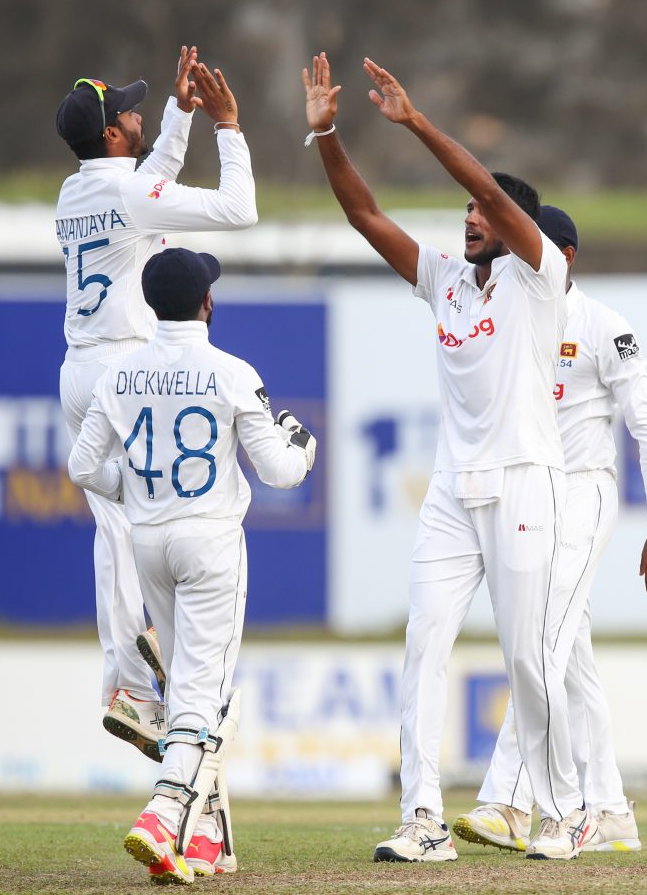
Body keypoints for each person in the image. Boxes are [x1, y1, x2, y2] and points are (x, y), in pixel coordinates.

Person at [303, 53, 588, 861]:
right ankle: (422, 818)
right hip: (453, 492)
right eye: (463, 210)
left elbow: (499, 193)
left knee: (527, 661)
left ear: (513, 227)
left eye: (479, 212)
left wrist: (418, 121)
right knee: (424, 643)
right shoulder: (447, 282)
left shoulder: (543, 276)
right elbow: (365, 215)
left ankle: (561, 813)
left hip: (527, 482)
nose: (468, 218)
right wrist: (326, 135)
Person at [67, 247, 316, 883]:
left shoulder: (118, 376)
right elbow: (282, 473)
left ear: (150, 304)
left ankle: (206, 838)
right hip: (210, 543)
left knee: (190, 690)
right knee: (206, 696)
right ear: (207, 303)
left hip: (149, 542)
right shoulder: (232, 372)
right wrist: (303, 443)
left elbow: (82, 467)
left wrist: (132, 487)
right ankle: (165, 809)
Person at [454, 206, 647, 854]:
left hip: (584, 491)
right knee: (570, 655)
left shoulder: (605, 326)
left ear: (567, 255)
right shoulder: (510, 318)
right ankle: (608, 807)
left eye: (539, 246)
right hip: (530, 492)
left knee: (541, 640)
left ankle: (507, 799)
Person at [54, 47, 258, 759]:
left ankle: (129, 678)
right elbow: (238, 207)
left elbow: (149, 181)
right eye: (130, 113)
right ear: (112, 136)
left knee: (115, 532)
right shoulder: (130, 194)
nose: (137, 116)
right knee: (130, 534)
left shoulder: (76, 191)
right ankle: (135, 684)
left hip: (80, 367)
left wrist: (176, 114)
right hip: (121, 366)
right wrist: (226, 127)